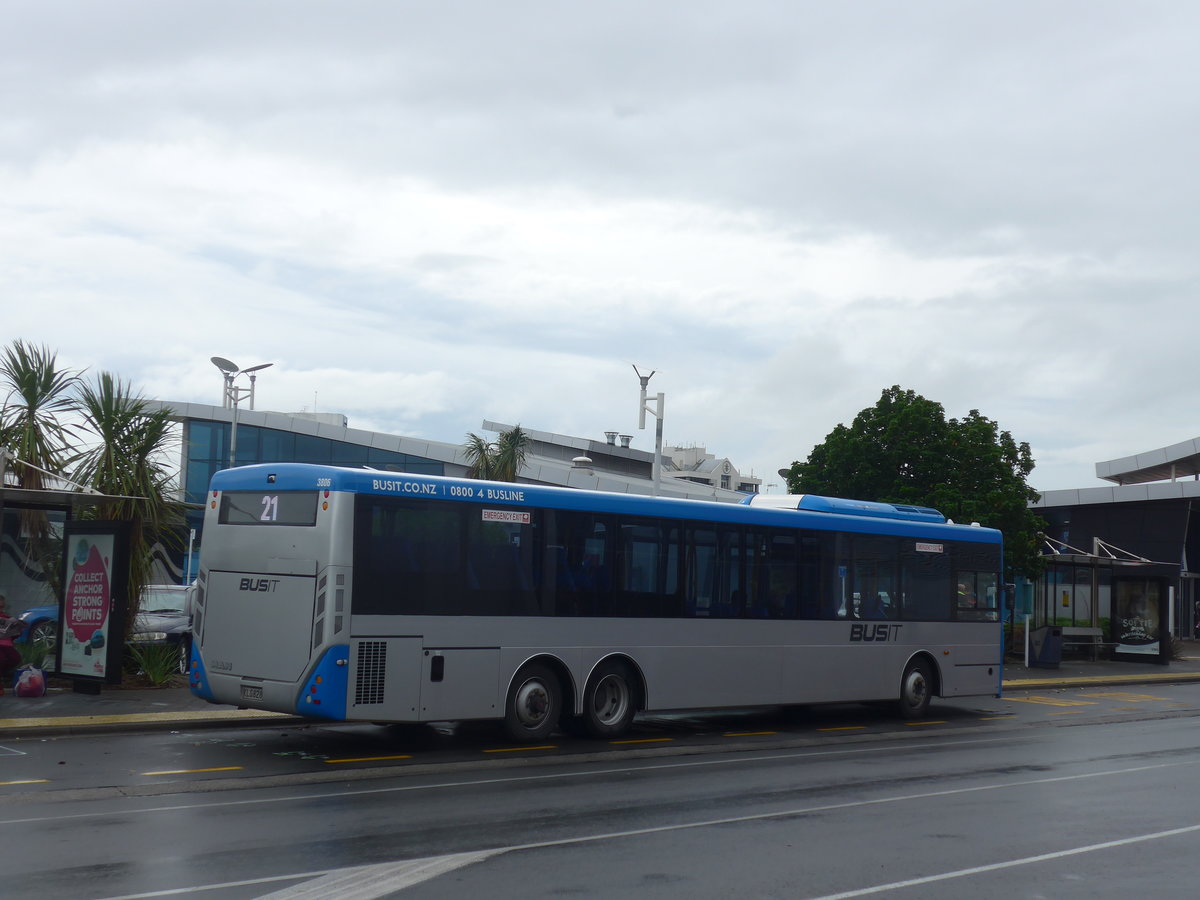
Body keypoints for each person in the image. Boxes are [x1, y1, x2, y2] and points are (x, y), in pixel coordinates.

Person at [0, 594, 24, 693]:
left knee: (15, 658)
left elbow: (15, 634)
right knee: (1, 659)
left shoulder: (7, 617)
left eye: (2, 606)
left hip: (7, 644)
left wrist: (17, 630)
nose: (2, 608)